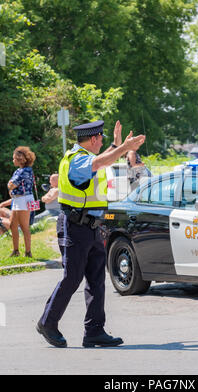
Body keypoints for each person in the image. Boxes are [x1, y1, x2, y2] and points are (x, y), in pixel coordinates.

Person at [37, 119, 145, 348]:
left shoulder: (84, 157)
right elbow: (97, 163)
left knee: (96, 278)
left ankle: (94, 331)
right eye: (102, 139)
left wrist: (117, 146)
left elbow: (102, 159)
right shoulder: (76, 160)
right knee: (72, 277)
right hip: (75, 226)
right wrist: (124, 148)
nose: (102, 143)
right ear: (94, 139)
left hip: (92, 226)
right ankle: (48, 322)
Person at [7, 146, 36, 257]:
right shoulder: (19, 170)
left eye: (14, 158)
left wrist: (10, 186)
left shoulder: (25, 170)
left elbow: (12, 184)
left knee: (24, 227)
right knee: (13, 225)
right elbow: (11, 185)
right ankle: (16, 251)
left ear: (20, 159)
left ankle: (28, 252)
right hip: (17, 200)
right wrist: (10, 186)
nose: (13, 160)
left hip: (24, 200)